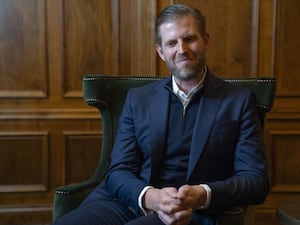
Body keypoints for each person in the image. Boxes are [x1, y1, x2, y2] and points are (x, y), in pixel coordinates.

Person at [52, 4, 269, 225]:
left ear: (206, 40)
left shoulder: (238, 101)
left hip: (190, 211)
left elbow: (256, 181)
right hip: (127, 202)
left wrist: (201, 194)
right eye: (172, 43)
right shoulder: (138, 99)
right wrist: (150, 197)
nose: (182, 49)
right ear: (161, 52)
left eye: (190, 39)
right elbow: (118, 170)